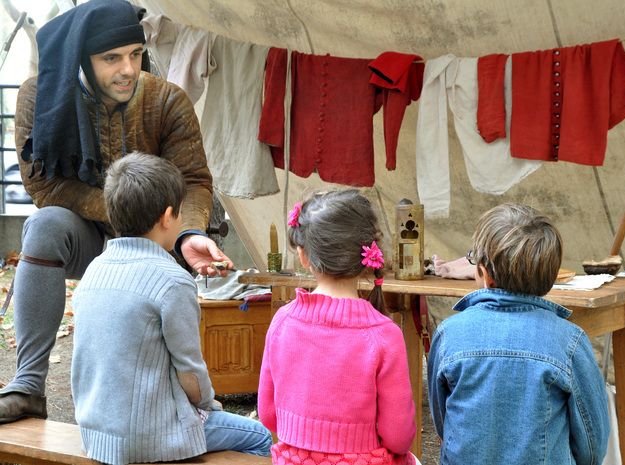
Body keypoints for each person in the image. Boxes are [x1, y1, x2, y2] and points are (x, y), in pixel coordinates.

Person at [0, 0, 232, 423]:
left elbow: (195, 181)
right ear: (81, 59)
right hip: (87, 236)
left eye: (135, 54)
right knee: (44, 224)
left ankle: (179, 405)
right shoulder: (40, 96)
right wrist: (128, 209)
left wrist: (187, 234)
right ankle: (29, 386)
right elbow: (44, 185)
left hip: (158, 241)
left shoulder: (167, 100)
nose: (128, 69)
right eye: (112, 58)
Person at [70, 153, 271, 465]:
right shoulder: (172, 281)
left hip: (95, 432)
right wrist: (209, 403)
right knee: (262, 438)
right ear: (167, 217)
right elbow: (190, 373)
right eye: (180, 215)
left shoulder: (94, 270)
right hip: (152, 436)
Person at [428, 203, 610, 465]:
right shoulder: (570, 341)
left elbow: (444, 423)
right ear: (550, 278)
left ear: (484, 274)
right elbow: (592, 444)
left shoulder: (449, 335)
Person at [258, 189, 420, 465]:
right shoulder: (383, 335)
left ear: (303, 255)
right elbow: (398, 437)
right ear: (369, 254)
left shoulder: (282, 322)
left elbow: (269, 415)